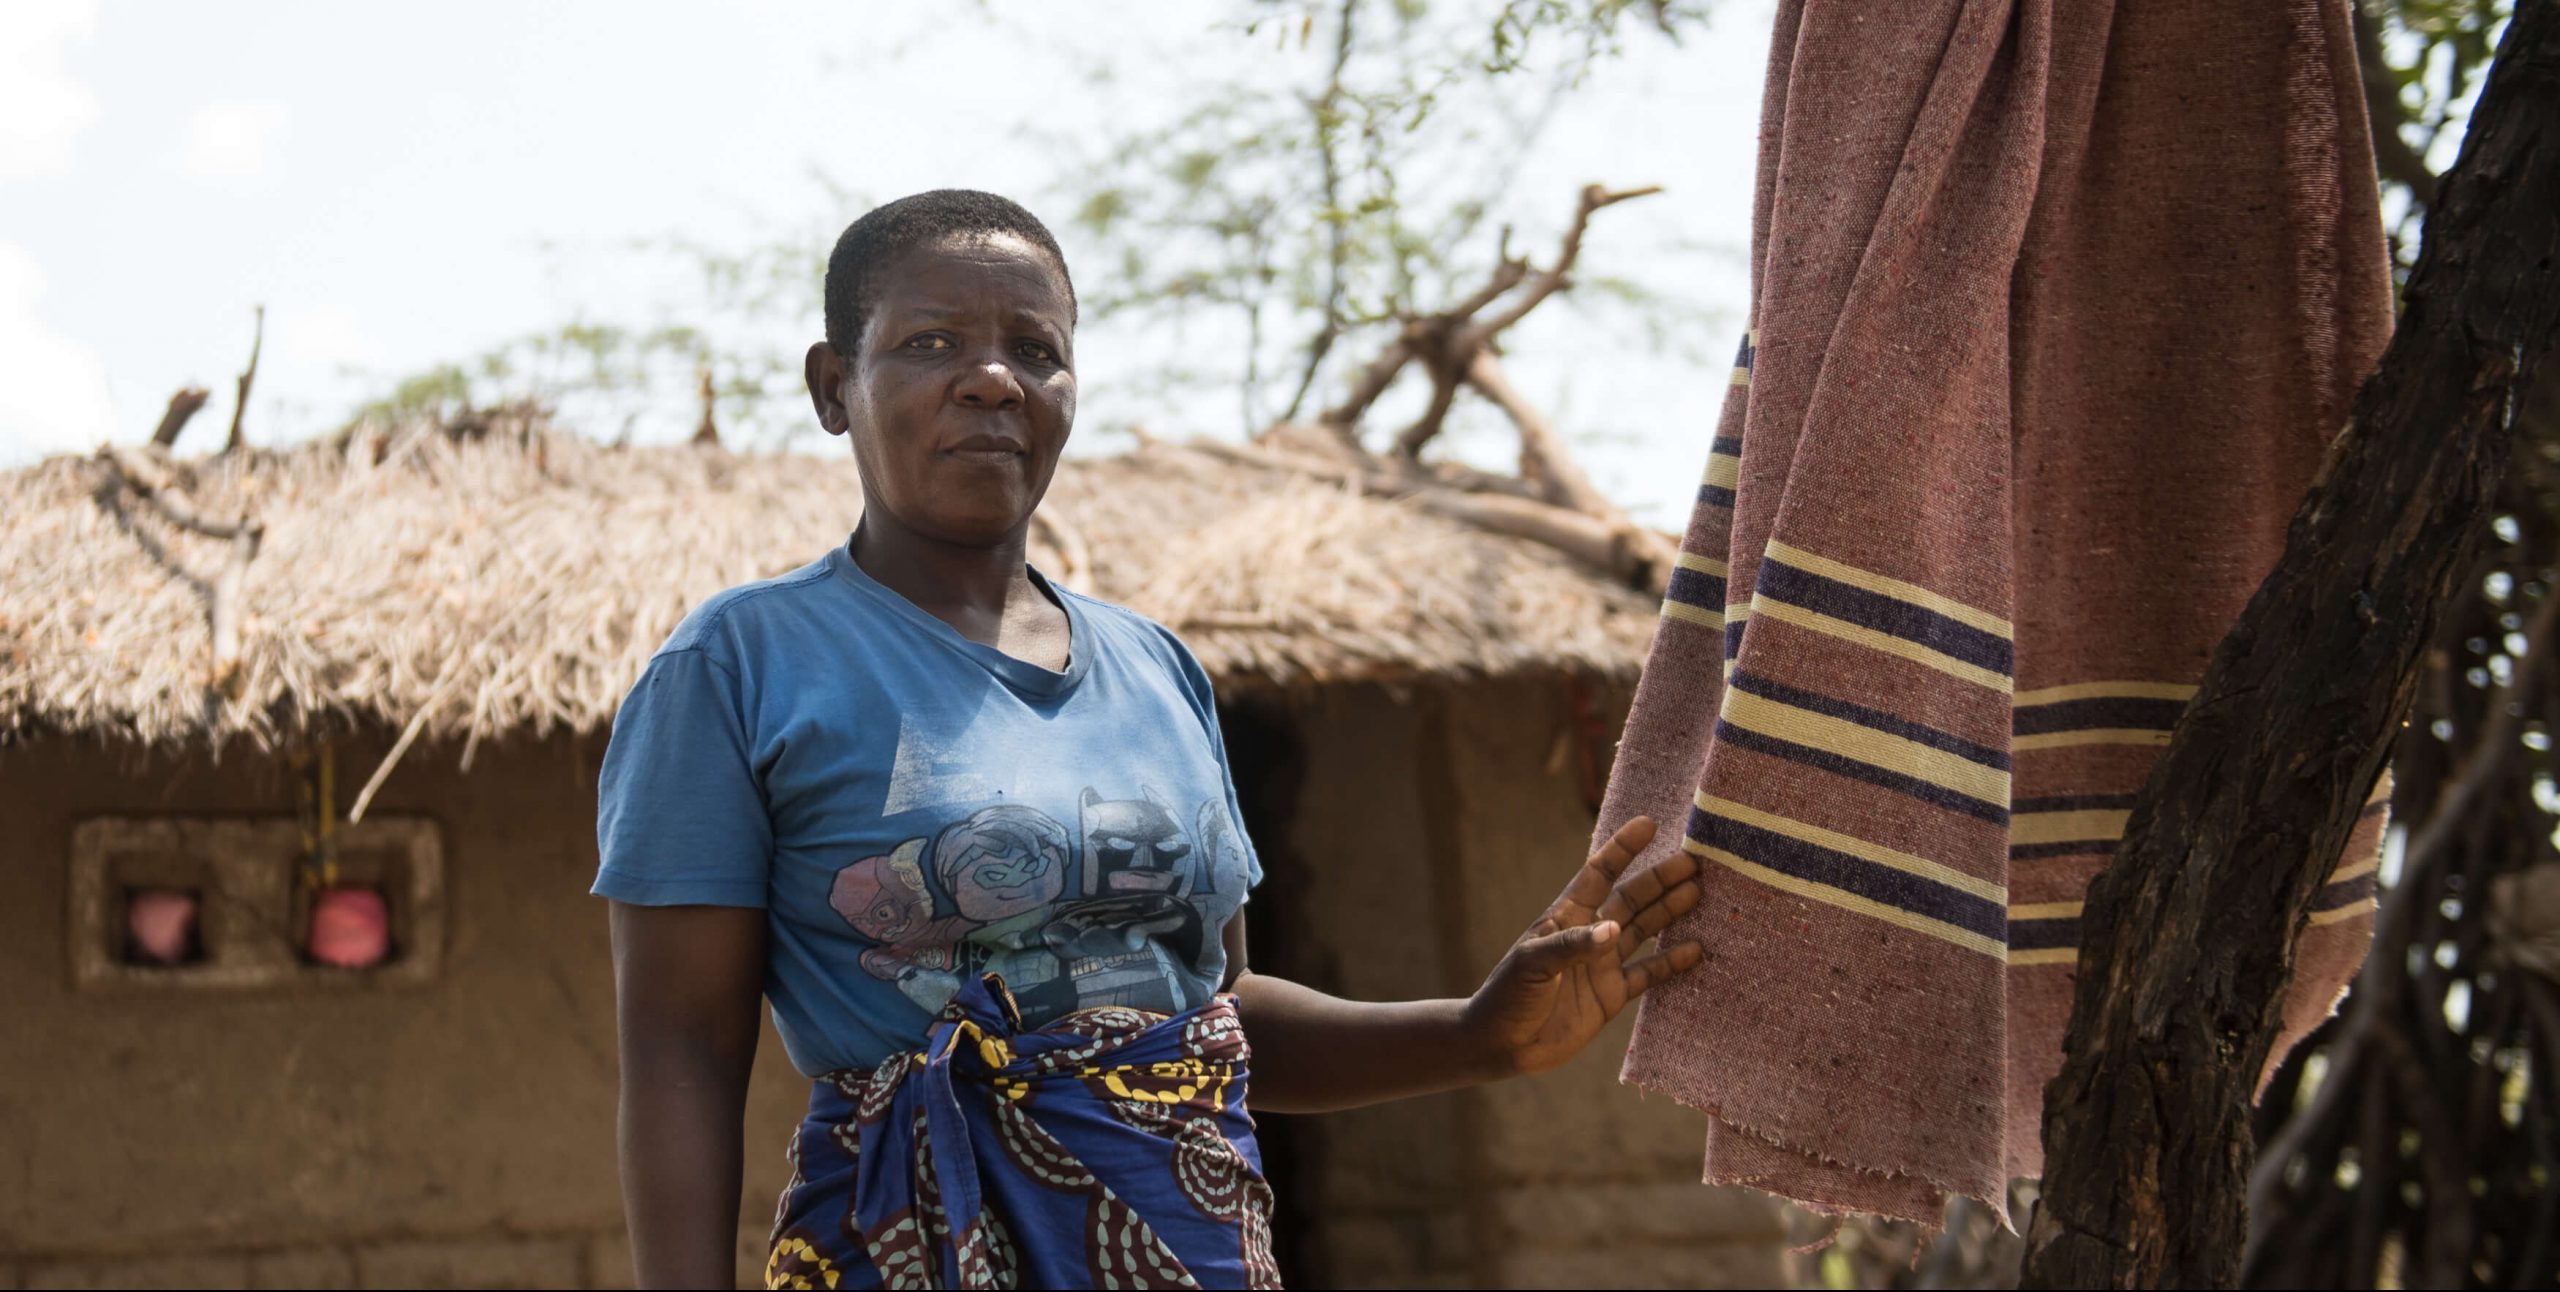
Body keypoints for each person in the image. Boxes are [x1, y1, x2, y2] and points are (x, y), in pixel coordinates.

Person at [595, 189, 1705, 1290]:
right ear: (834, 387)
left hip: (1190, 1245)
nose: (992, 377)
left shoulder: (1156, 669)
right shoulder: (742, 666)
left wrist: (1475, 1033)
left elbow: (1214, 1009)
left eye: (1035, 348)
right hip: (906, 1251)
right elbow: (682, 1050)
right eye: (931, 342)